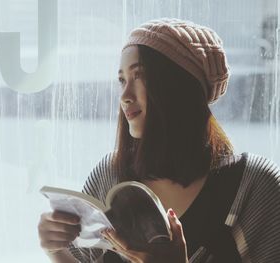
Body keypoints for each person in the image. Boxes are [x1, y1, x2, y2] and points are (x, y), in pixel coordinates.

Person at [37, 18, 280, 263]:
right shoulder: (108, 175)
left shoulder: (255, 187)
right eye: (122, 80)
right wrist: (58, 252)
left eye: (139, 76)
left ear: (178, 84)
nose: (125, 96)